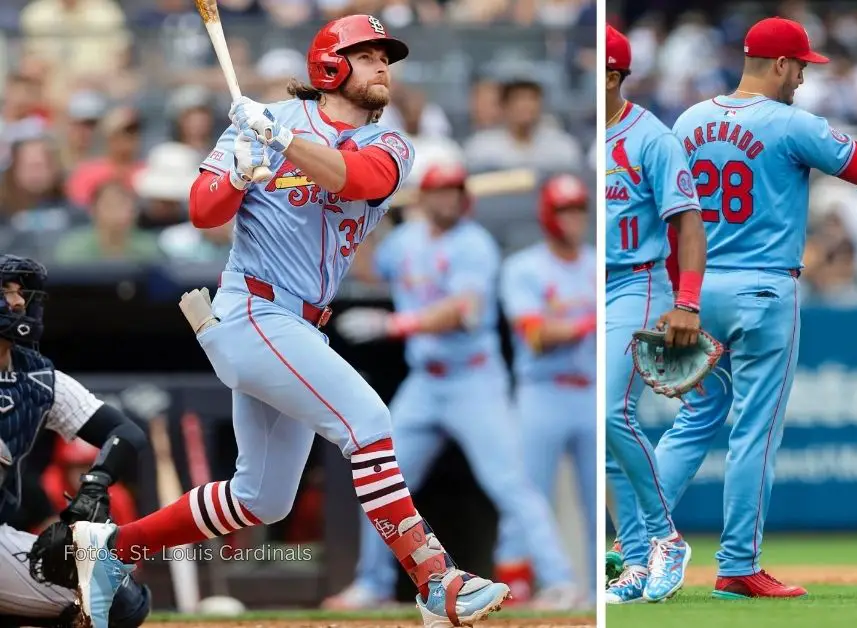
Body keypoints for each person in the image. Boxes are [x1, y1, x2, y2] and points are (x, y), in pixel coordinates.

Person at [61, 15, 511, 628]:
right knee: (368, 420)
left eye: (387, 56)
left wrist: (280, 141)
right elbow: (201, 210)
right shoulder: (259, 123)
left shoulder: (391, 144)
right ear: (331, 65)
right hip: (252, 308)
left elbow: (359, 179)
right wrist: (241, 170)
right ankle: (437, 582)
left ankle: (115, 550)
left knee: (261, 497)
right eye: (369, 54)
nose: (384, 65)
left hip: (303, 323)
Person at [618, 16, 857, 599]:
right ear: (783, 65)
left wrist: (676, 298)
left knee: (694, 421)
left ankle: (634, 548)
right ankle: (738, 564)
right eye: (801, 68)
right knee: (754, 433)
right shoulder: (791, 123)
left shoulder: (688, 119)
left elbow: (666, 210)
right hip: (763, 290)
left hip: (695, 289)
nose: (803, 79)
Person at [327, 162, 578, 611]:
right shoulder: (406, 241)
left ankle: (559, 580)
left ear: (464, 197)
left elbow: (462, 309)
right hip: (425, 382)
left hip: (474, 381)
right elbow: (366, 267)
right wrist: (369, 212)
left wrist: (394, 324)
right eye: (438, 192)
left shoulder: (475, 244)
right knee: (382, 476)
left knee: (509, 482)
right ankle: (373, 583)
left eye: (453, 192)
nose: (447, 199)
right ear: (423, 197)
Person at [602, 23, 707, 605]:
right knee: (608, 434)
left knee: (613, 412)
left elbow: (688, 221)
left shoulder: (651, 137)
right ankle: (637, 562)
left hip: (634, 281)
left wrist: (686, 301)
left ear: (614, 77)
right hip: (591, 286)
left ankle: (667, 539)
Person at [0, 255, 151, 628]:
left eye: (20, 291)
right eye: (4, 291)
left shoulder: (36, 378)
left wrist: (95, 482)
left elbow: (126, 433)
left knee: (119, 598)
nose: (18, 302)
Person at [498, 173, 597, 603]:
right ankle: (517, 587)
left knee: (597, 500)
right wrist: (586, 323)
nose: (572, 219)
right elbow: (535, 334)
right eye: (563, 210)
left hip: (589, 390)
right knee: (528, 493)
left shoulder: (598, 263)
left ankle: (597, 591)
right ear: (547, 215)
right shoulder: (524, 266)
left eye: (577, 210)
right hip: (542, 391)